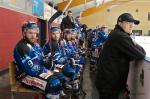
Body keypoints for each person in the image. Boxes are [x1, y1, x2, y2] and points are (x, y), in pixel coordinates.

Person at [95, 13, 146, 99]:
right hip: (109, 84)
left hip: (108, 82)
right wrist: (132, 41)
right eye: (128, 23)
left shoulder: (116, 33)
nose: (131, 26)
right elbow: (141, 53)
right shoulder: (120, 36)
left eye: (132, 24)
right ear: (120, 23)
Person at [13, 21, 62, 99]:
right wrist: (46, 71)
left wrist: (49, 61)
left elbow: (41, 60)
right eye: (30, 33)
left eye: (35, 33)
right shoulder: (22, 47)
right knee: (54, 84)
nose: (33, 36)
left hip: (37, 72)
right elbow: (32, 70)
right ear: (24, 33)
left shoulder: (36, 45)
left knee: (60, 75)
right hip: (25, 77)